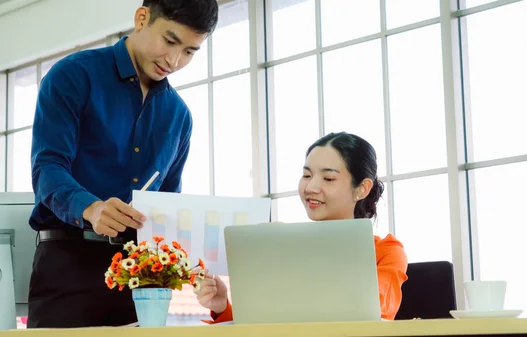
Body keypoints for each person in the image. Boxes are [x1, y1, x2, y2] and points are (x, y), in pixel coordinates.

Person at [27, 0, 218, 328]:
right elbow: (47, 169)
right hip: (67, 266)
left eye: (189, 51)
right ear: (142, 18)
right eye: (170, 41)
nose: (174, 60)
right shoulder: (73, 76)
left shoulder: (179, 117)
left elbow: (166, 205)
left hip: (139, 279)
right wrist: (92, 209)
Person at [195, 132, 408, 322]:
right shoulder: (279, 246)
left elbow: (373, 312)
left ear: (362, 188)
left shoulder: (387, 251)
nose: (311, 187)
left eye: (328, 178)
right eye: (307, 175)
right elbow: (263, 325)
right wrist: (222, 306)